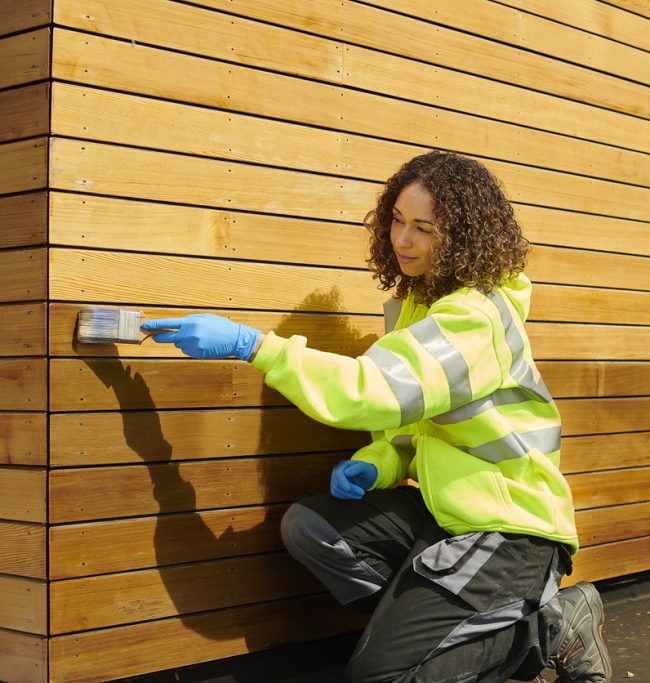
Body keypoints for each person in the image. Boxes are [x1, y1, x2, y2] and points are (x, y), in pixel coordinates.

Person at [142, 150, 612, 682]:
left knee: (376, 679)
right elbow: (422, 426)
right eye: (396, 221)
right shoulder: (422, 303)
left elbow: (371, 390)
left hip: (510, 535)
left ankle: (546, 626)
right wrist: (381, 461)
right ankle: (426, 635)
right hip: (447, 517)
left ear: (463, 237)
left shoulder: (474, 319)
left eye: (423, 229)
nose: (402, 240)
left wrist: (254, 346)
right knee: (313, 527)